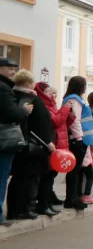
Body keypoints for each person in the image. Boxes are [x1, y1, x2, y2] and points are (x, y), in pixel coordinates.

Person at [7, 70, 55, 220]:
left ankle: (16, 209)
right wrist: (48, 141)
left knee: (19, 178)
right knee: (29, 177)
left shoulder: (15, 96)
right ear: (28, 83)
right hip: (33, 146)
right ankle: (24, 209)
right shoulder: (29, 98)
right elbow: (39, 123)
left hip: (22, 143)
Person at [34, 82, 72, 213]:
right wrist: (65, 109)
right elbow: (55, 121)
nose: (52, 95)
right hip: (50, 143)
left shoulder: (52, 105)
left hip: (58, 143)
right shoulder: (43, 106)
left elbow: (62, 121)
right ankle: (43, 204)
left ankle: (47, 202)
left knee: (51, 174)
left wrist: (70, 116)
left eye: (53, 93)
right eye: (49, 92)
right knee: (47, 175)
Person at [0, 58, 28, 225]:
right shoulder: (4, 89)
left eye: (14, 68)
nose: (12, 71)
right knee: (2, 177)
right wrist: (24, 109)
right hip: (4, 140)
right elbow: (13, 114)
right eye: (9, 68)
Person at [61, 76, 92, 211]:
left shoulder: (74, 99)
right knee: (74, 171)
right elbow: (75, 120)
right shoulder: (74, 100)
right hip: (78, 139)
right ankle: (71, 199)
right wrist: (79, 138)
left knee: (77, 170)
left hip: (80, 138)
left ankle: (75, 197)